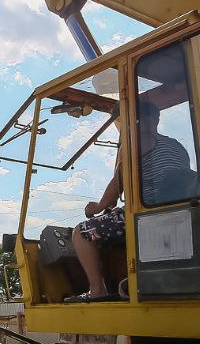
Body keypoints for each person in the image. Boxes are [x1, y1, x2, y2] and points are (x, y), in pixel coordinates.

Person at [69, 99, 193, 301]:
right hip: (179, 213)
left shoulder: (137, 142)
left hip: (148, 214)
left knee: (81, 233)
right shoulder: (176, 145)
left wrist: (98, 206)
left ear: (134, 120)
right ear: (156, 119)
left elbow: (119, 181)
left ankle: (97, 291)